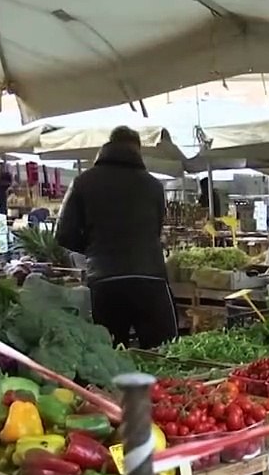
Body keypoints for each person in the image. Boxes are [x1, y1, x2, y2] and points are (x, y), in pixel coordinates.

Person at [56, 126, 178, 349]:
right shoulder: (153, 185)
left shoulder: (83, 182)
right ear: (138, 150)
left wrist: (95, 250)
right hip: (150, 279)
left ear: (108, 145)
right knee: (165, 354)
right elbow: (155, 231)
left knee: (109, 357)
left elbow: (63, 235)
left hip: (105, 280)